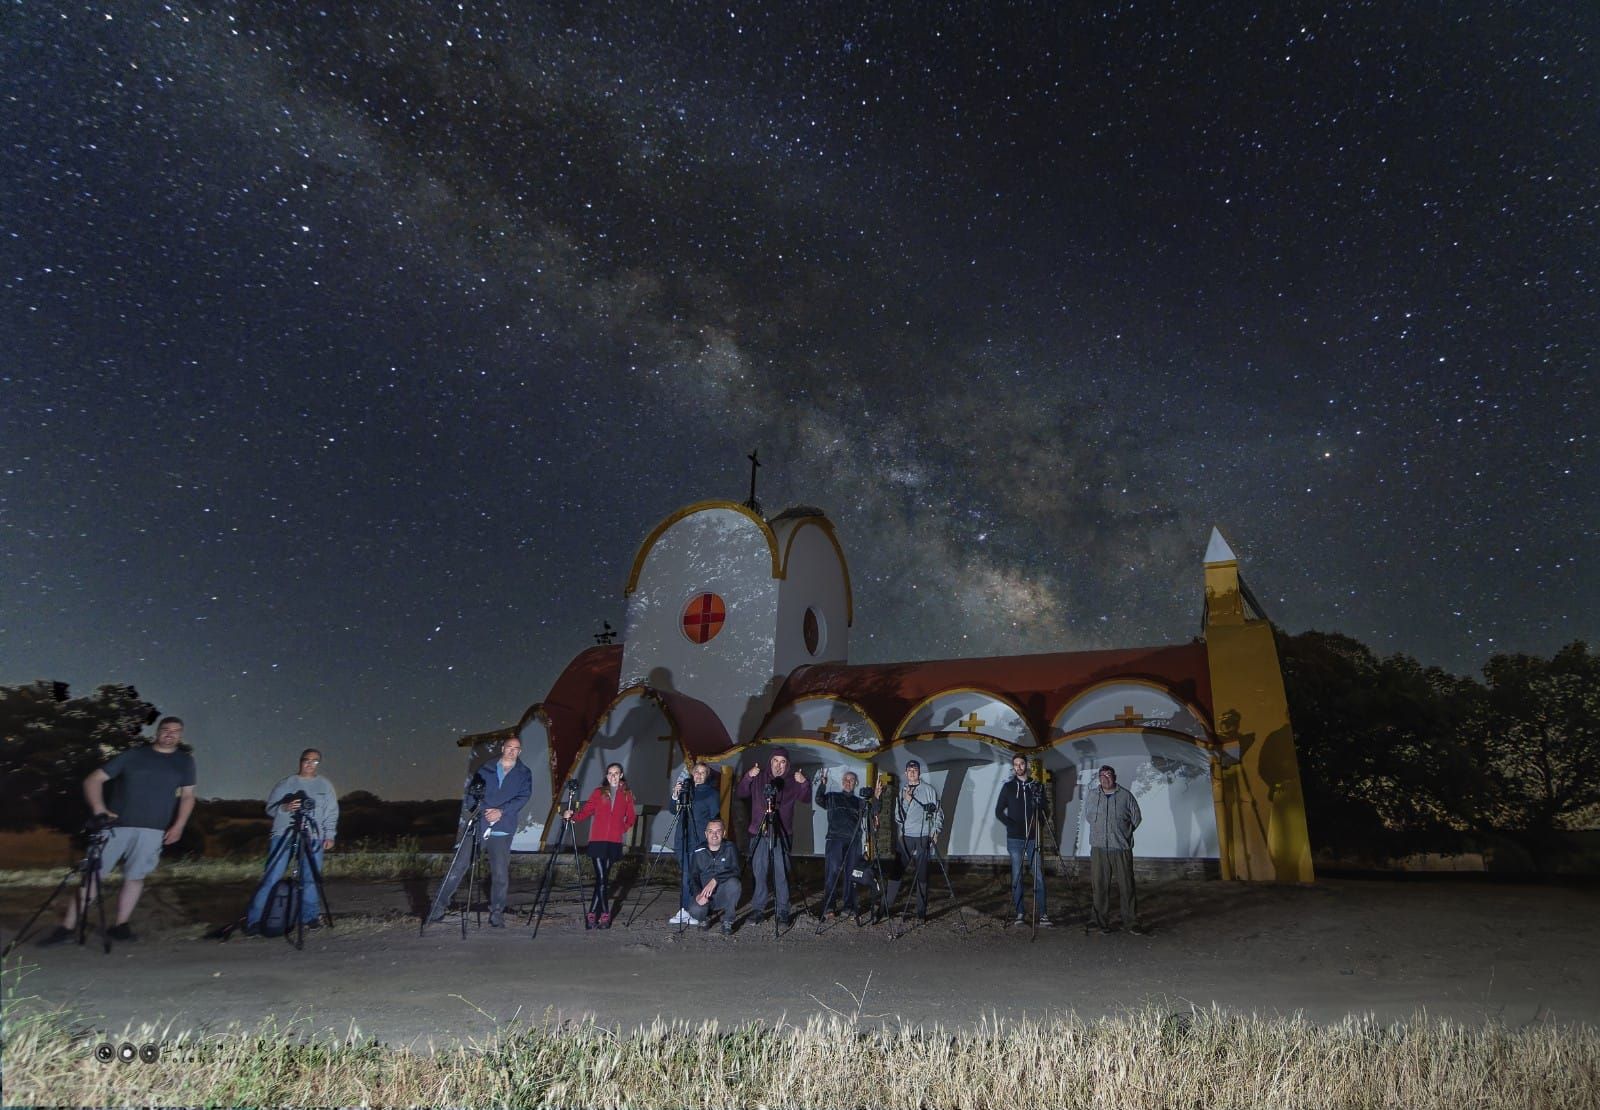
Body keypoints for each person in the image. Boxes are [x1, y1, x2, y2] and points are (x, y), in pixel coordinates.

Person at [42, 716, 197, 945]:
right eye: (166, 730)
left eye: (176, 731)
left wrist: (179, 825)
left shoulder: (185, 762)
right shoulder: (133, 755)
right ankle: (67, 928)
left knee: (135, 877)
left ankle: (120, 926)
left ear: (181, 735)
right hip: (115, 828)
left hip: (153, 830)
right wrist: (99, 809)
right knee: (92, 877)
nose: (170, 734)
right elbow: (93, 780)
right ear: (157, 732)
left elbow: (188, 796)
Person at [428, 736, 533, 927]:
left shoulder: (524, 773)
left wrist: (501, 811)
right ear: (503, 748)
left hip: (502, 829)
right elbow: (471, 797)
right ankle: (437, 908)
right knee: (458, 867)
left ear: (520, 751)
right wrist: (484, 811)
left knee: (500, 874)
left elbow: (523, 796)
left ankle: (497, 914)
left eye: (516, 748)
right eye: (509, 747)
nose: (512, 751)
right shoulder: (486, 768)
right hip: (479, 825)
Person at [245, 748, 340, 935]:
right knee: (272, 875)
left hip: (313, 835)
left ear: (318, 763)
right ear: (300, 761)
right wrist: (286, 807)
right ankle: (254, 920)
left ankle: (309, 917)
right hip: (284, 834)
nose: (310, 763)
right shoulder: (286, 783)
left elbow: (332, 812)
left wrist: (329, 835)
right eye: (307, 760)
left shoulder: (325, 785)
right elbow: (270, 809)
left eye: (315, 761)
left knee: (310, 878)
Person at [735, 746, 809, 926]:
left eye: (782, 762)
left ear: (787, 764)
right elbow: (741, 793)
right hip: (759, 833)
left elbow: (805, 799)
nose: (778, 766)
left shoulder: (792, 781)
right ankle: (758, 909)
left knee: (781, 873)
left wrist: (804, 783)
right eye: (775, 761)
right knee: (759, 872)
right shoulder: (759, 777)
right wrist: (748, 777)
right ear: (770, 762)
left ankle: (783, 910)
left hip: (782, 834)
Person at [565, 762, 637, 928]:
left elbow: (631, 818)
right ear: (606, 776)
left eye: (616, 773)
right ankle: (604, 914)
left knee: (602, 880)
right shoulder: (598, 792)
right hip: (597, 841)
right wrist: (573, 816)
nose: (613, 776)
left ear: (621, 775)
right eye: (610, 773)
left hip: (614, 842)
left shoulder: (626, 794)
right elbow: (587, 811)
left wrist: (621, 828)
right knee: (602, 878)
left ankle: (592, 914)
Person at [813, 768, 882, 918]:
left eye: (851, 780)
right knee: (832, 873)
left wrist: (876, 796)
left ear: (856, 783)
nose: (848, 782)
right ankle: (829, 907)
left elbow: (874, 811)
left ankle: (848, 906)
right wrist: (823, 784)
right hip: (834, 839)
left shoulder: (859, 802)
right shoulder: (832, 797)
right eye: (845, 779)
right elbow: (819, 800)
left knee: (851, 874)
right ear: (842, 782)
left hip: (854, 841)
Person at [1084, 764, 1144, 935]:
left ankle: (1131, 922)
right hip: (1099, 848)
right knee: (1099, 886)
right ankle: (1099, 921)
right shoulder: (1093, 795)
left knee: (1127, 886)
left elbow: (1136, 818)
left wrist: (1123, 833)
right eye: (1102, 775)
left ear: (1114, 777)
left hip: (1120, 849)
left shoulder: (1125, 796)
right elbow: (1088, 816)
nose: (1105, 778)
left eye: (1108, 775)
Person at [994, 754, 1050, 926]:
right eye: (1016, 765)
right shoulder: (1008, 787)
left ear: (1027, 765)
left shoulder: (1037, 786)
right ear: (1013, 767)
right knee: (1017, 876)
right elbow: (998, 811)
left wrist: (1039, 822)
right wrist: (1011, 825)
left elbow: (1046, 809)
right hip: (1015, 839)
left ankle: (1043, 914)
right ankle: (1020, 913)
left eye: (1021, 764)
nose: (1018, 767)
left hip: (1033, 838)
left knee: (1038, 876)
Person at [884, 759, 941, 921]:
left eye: (915, 769)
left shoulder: (929, 790)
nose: (912, 772)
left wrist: (935, 831)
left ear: (919, 772)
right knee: (897, 871)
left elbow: (938, 812)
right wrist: (907, 802)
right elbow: (899, 818)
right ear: (906, 773)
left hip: (924, 835)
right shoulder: (902, 793)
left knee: (922, 874)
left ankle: (921, 913)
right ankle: (885, 907)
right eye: (909, 770)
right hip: (907, 836)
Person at [668, 762, 723, 926]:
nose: (698, 775)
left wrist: (712, 840)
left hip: (698, 840)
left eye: (702, 772)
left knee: (690, 877)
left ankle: (688, 910)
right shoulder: (687, 789)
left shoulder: (711, 794)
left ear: (707, 776)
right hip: (682, 839)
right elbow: (673, 810)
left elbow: (715, 817)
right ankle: (693, 909)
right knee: (687, 876)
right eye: (696, 772)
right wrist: (675, 795)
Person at [684, 818, 742, 934]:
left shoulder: (730, 848)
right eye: (710, 831)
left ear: (724, 833)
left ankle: (728, 920)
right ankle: (704, 918)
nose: (714, 835)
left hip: (722, 893)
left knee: (735, 884)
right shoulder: (698, 850)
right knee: (695, 910)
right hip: (705, 894)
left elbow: (736, 871)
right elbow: (693, 876)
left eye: (718, 831)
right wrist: (697, 895)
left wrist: (716, 879)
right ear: (706, 834)